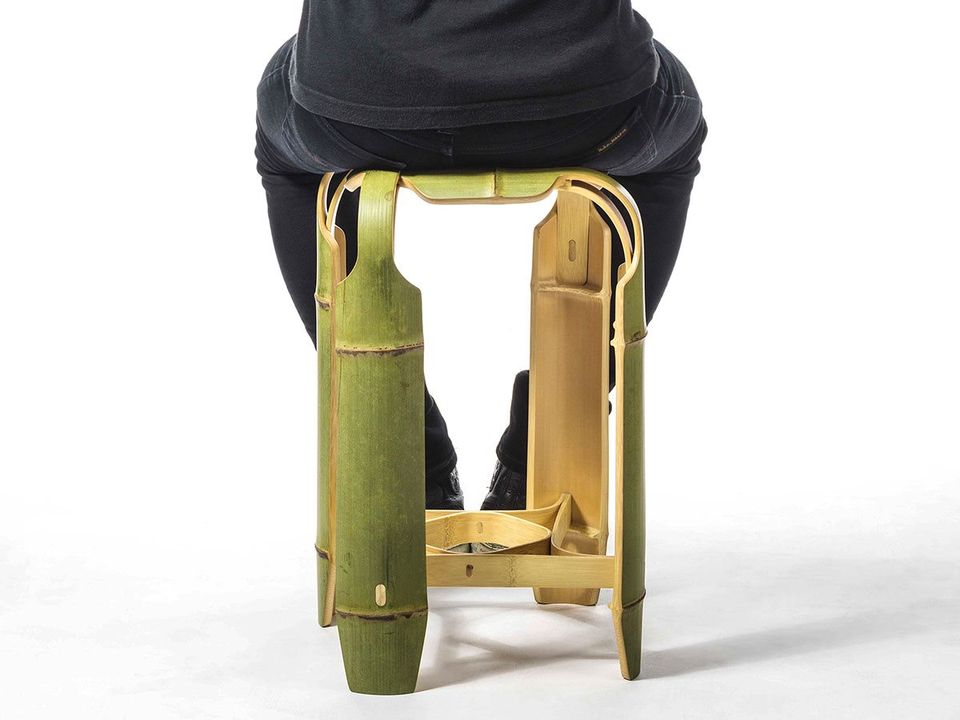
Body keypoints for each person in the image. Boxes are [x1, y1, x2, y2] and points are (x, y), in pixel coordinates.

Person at [254, 2, 708, 513]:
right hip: (580, 107)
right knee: (674, 134)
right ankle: (545, 442)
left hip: (363, 109)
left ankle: (405, 446)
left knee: (290, 143)